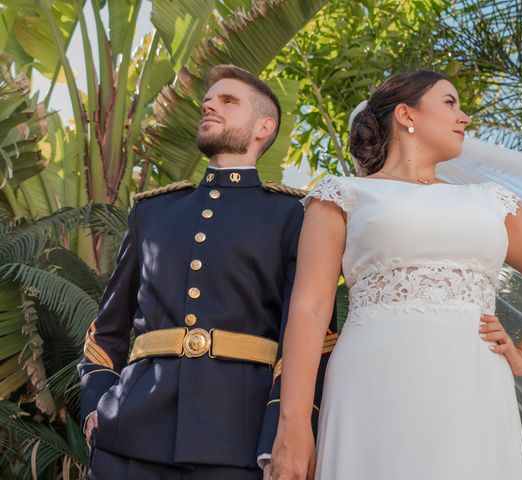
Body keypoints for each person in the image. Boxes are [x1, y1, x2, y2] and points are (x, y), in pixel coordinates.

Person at [269, 70, 522, 479]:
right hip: (373, 381)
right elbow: (310, 308)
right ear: (407, 114)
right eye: (450, 103)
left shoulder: (490, 200)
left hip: (473, 385)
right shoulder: (344, 194)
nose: (465, 118)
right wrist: (294, 426)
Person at [77, 64, 337, 480]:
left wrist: (279, 434)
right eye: (208, 101)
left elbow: (312, 338)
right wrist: (95, 406)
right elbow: (105, 328)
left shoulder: (295, 216)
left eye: (228, 101)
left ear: (263, 127)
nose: (209, 106)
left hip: (238, 438)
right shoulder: (152, 212)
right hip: (128, 435)